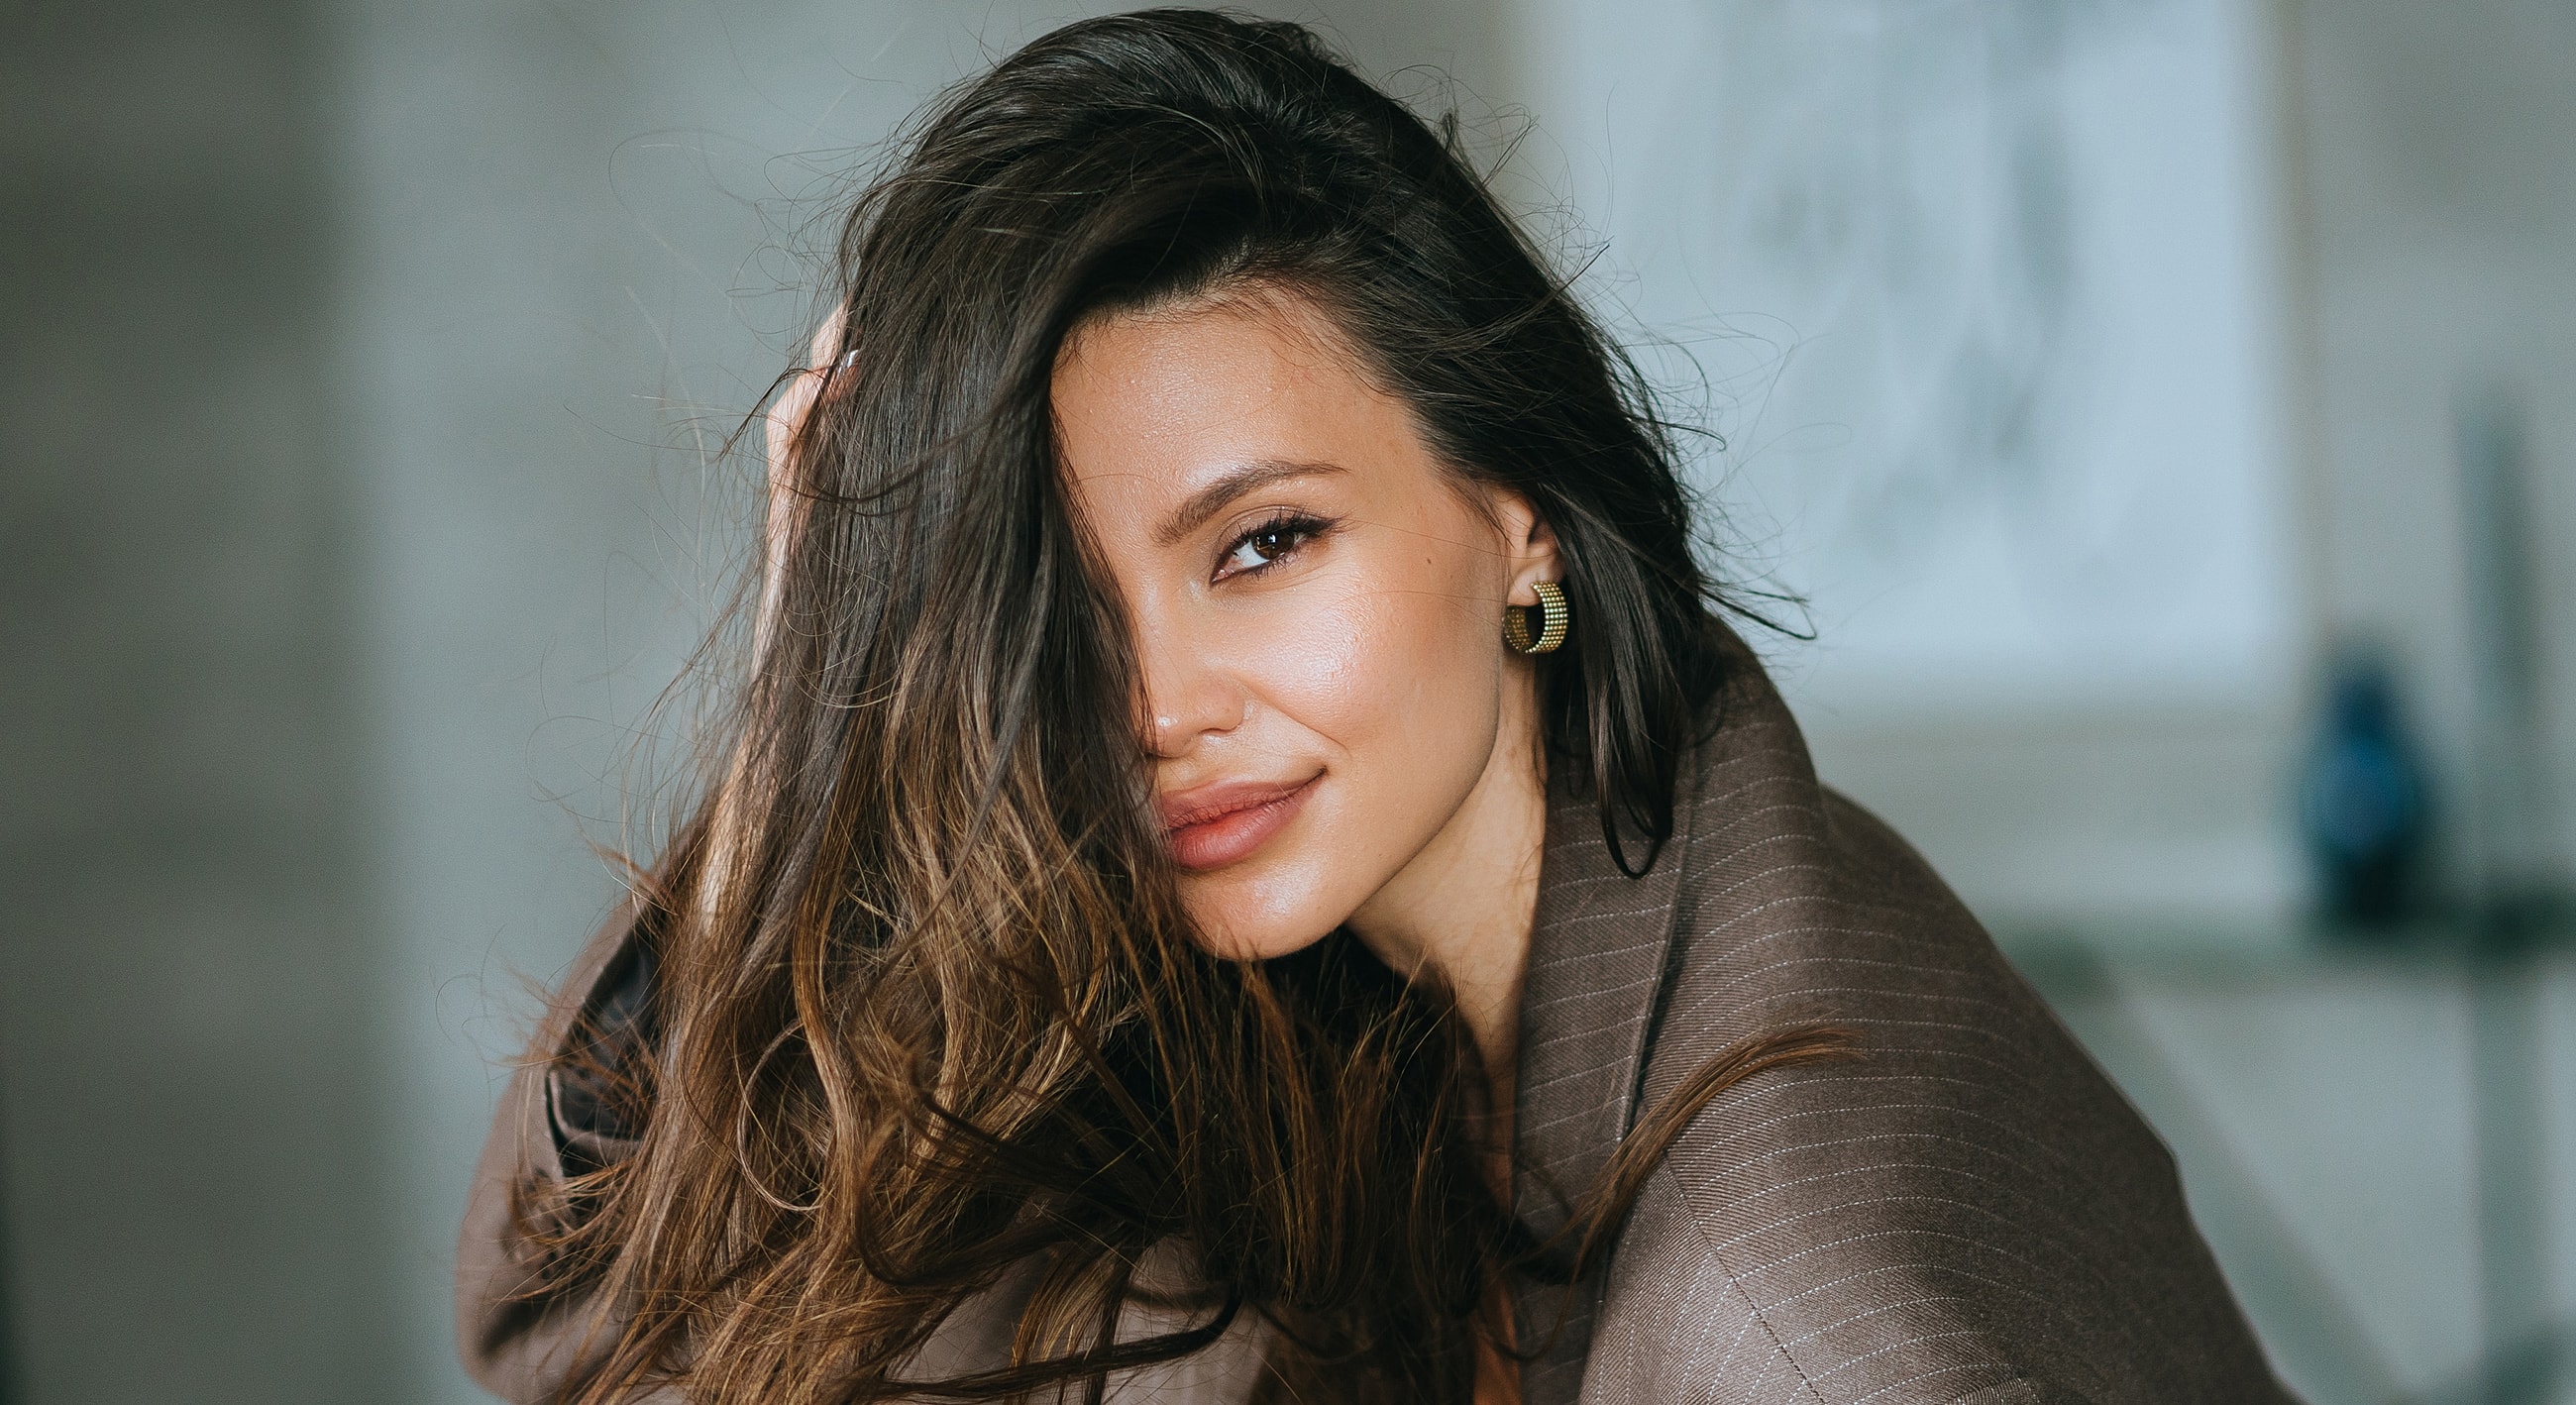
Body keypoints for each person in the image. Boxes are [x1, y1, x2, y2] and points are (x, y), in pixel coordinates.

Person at [457, 11, 2295, 1403]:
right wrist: (835, 719)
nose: (1159, 707)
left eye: (1263, 545)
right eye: (1068, 613)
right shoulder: (1387, 952)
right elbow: (581, 1326)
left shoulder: (1802, 1320)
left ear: (1518, 519)